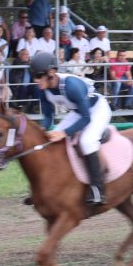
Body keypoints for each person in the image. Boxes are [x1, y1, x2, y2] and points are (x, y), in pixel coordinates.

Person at [29, 49, 110, 205]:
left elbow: (86, 118)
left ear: (51, 72)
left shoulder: (70, 86)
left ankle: (98, 191)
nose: (36, 80)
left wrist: (64, 133)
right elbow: (48, 117)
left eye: (39, 75)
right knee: (51, 139)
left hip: (97, 109)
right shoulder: (43, 90)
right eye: (34, 76)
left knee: (86, 141)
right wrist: (44, 130)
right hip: (79, 112)